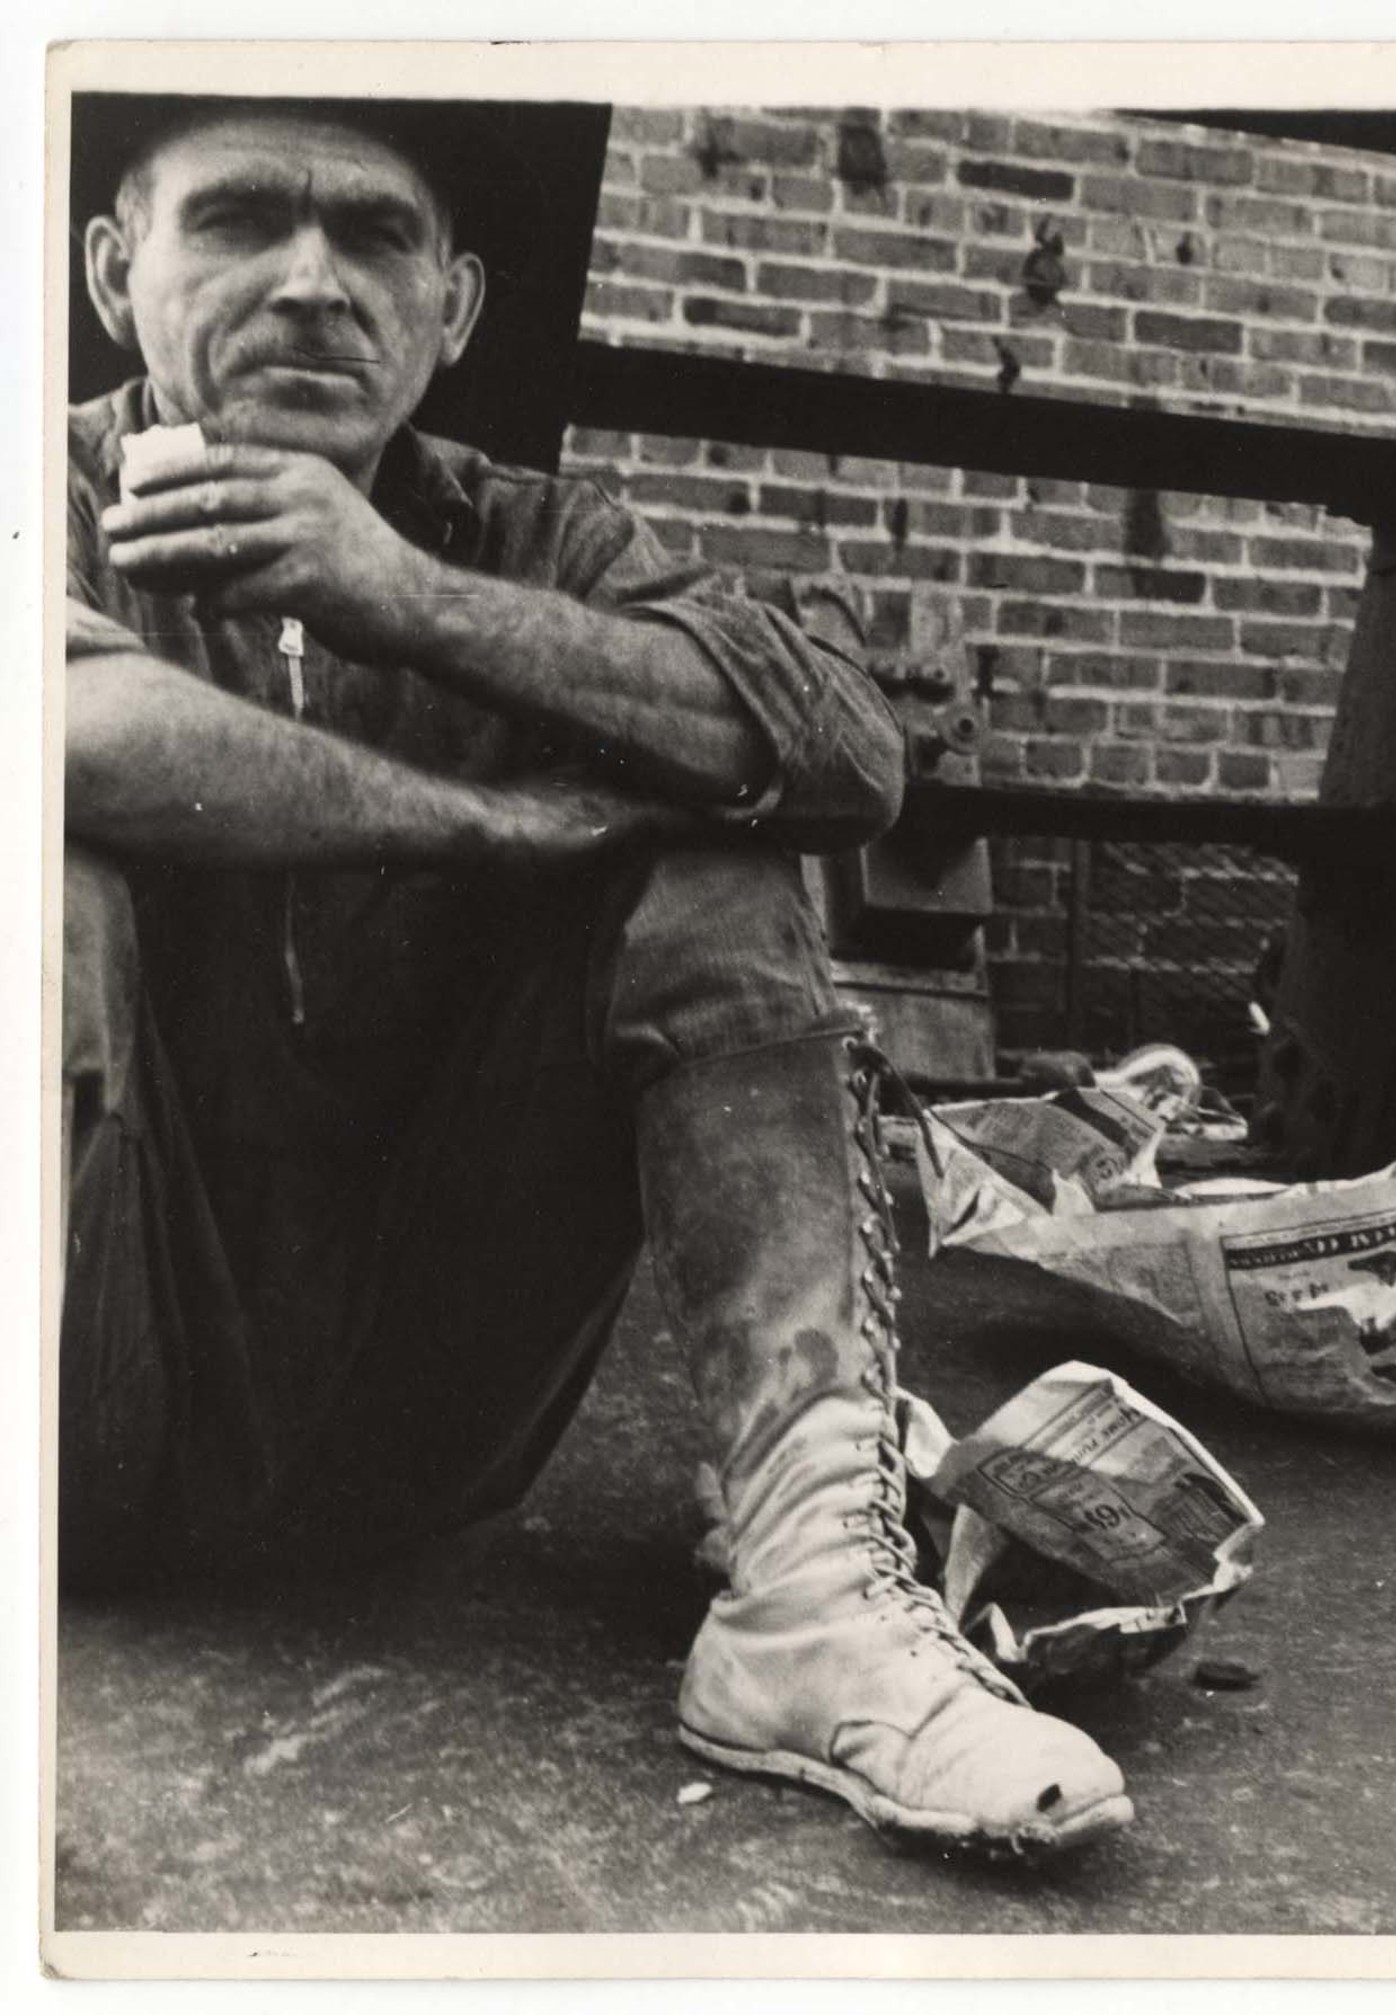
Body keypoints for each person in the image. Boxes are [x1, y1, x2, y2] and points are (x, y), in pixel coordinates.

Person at [61, 96, 1132, 1854]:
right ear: (116, 272)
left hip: (415, 1427)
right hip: (74, 1389)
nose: (314, 282)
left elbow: (842, 750)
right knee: (53, 873)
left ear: (456, 309)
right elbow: (70, 725)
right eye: (241, 220)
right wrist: (485, 825)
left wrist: (399, 592)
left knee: (712, 829)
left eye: (379, 238)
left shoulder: (536, 541)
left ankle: (808, 1605)